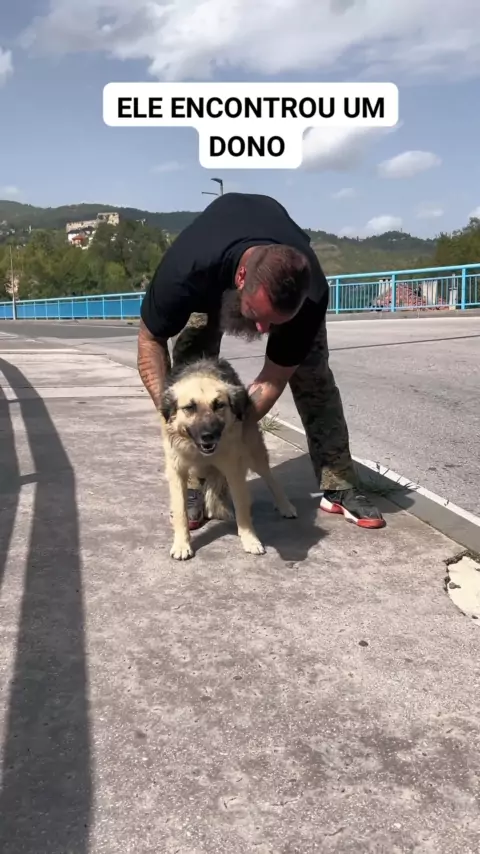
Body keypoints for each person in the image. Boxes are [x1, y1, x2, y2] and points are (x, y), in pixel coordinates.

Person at [137, 192, 385, 531]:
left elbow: (273, 378)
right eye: (257, 314)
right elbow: (149, 341)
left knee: (313, 375)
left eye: (274, 323)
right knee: (191, 368)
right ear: (241, 279)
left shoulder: (311, 294)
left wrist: (232, 431)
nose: (263, 330)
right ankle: (194, 484)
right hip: (208, 284)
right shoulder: (186, 271)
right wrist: (170, 411)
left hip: (278, 284)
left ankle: (339, 482)